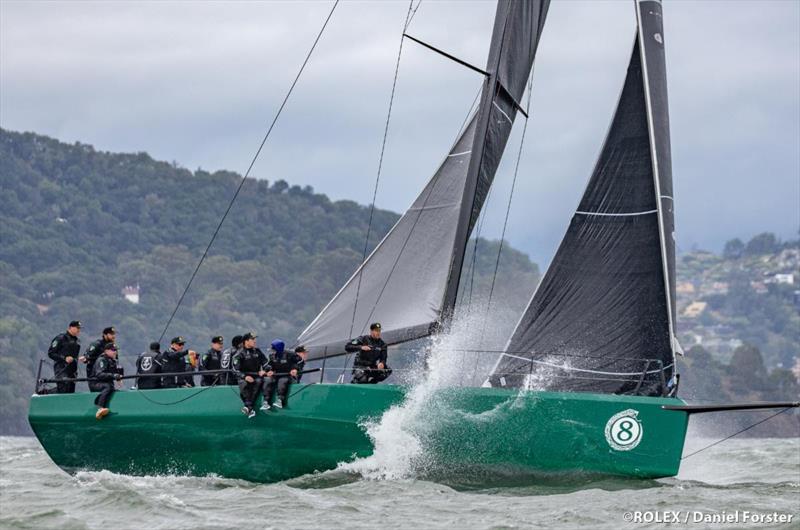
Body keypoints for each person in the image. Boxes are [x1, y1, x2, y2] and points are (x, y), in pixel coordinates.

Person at [231, 332, 268, 418]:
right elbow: (235, 370)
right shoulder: (239, 354)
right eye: (253, 339)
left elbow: (266, 363)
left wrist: (266, 370)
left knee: (259, 381)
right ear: (246, 341)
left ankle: (248, 407)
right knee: (243, 383)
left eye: (255, 339)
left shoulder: (257, 351)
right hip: (244, 377)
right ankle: (249, 407)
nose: (255, 341)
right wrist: (245, 377)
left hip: (256, 376)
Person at [261, 340, 302, 411]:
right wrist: (268, 370)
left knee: (282, 380)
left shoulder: (290, 354)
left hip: (288, 375)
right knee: (267, 380)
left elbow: (300, 361)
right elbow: (269, 365)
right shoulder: (272, 356)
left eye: (274, 350)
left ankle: (280, 400)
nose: (273, 351)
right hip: (276, 375)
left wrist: (295, 369)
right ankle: (266, 402)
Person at [47, 320, 82, 393]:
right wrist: (64, 358)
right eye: (77, 328)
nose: (79, 330)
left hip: (72, 370)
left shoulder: (77, 341)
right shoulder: (61, 338)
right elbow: (51, 353)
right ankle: (45, 393)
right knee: (63, 388)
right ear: (70, 328)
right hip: (61, 368)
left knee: (70, 392)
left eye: (80, 328)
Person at [93, 343, 123, 419]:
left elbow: (115, 373)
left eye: (116, 350)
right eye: (113, 350)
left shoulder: (112, 361)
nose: (115, 352)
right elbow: (99, 374)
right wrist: (113, 376)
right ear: (106, 351)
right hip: (96, 383)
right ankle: (100, 408)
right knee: (108, 387)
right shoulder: (102, 360)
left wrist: (119, 376)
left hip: (107, 383)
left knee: (112, 388)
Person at [82, 326, 116, 392]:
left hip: (107, 376)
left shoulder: (112, 347)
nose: (113, 336)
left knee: (110, 389)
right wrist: (85, 358)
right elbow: (87, 355)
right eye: (111, 334)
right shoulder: (97, 344)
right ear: (105, 335)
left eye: (114, 334)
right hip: (95, 377)